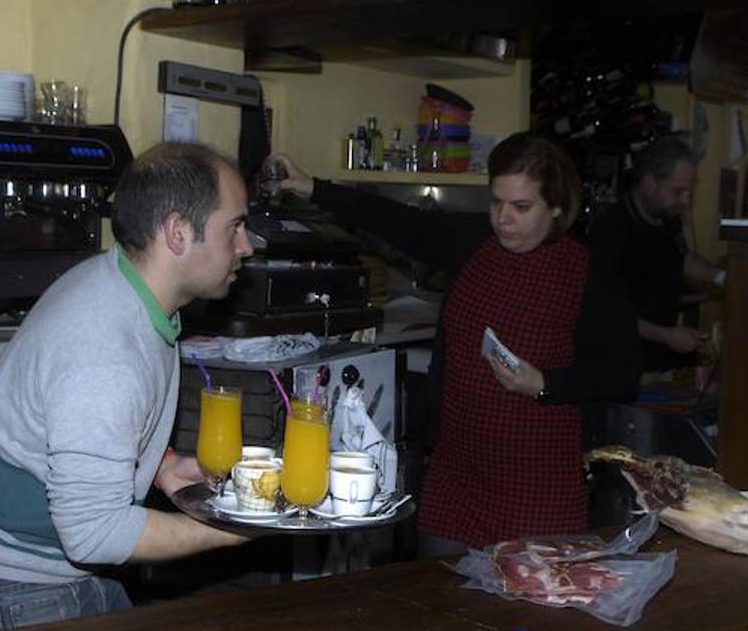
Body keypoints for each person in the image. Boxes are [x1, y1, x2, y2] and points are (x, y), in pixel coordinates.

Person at [0, 142, 252, 631]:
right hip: (13, 585)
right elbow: (93, 535)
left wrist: (162, 467)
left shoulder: (118, 283)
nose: (247, 245)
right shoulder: (106, 350)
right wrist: (227, 529)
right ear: (179, 232)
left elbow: (78, 430)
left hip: (38, 567)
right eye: (235, 227)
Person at [270, 133, 640, 554]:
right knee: (441, 600)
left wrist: (545, 383)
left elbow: (621, 371)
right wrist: (312, 188)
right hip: (457, 469)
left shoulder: (587, 273)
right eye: (497, 202)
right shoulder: (472, 242)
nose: (503, 218)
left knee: (528, 607)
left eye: (521, 207)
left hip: (538, 480)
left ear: (556, 208)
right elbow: (399, 221)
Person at [588, 136, 724, 372]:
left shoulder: (668, 217)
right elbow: (605, 311)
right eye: (678, 191)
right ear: (649, 183)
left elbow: (681, 259)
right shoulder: (611, 228)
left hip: (659, 358)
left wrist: (722, 277)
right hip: (618, 361)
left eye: (689, 192)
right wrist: (667, 336)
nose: (685, 201)